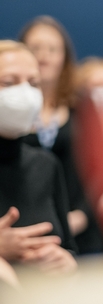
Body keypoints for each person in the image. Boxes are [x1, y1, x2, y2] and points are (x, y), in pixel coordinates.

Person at [19, 16, 103, 255]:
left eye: (52, 49)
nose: (44, 55)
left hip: (83, 232)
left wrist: (82, 215)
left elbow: (102, 171)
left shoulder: (85, 111)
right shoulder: (10, 111)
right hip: (27, 235)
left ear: (65, 58)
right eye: (35, 48)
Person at [0, 40, 77, 274]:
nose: (25, 93)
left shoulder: (45, 165)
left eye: (34, 83)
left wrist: (67, 262)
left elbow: (69, 248)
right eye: (8, 82)